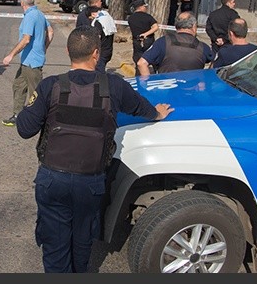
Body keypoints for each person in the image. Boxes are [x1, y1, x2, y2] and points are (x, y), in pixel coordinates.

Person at [15, 25, 174, 273]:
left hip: (53, 180)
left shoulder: (50, 86)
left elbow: (25, 129)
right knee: (82, 244)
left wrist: (33, 108)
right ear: (96, 54)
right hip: (89, 182)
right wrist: (158, 113)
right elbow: (141, 109)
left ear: (68, 51)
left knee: (55, 249)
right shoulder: (114, 86)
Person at [1, 0, 54, 127]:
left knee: (35, 93)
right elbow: (50, 31)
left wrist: (10, 55)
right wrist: (44, 47)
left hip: (32, 63)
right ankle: (17, 115)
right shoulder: (39, 14)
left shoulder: (30, 16)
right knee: (18, 85)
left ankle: (38, 121)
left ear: (22, 3)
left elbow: (26, 40)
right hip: (27, 61)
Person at [137, 11, 213, 77]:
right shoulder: (203, 47)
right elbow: (215, 63)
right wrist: (206, 81)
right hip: (193, 87)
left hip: (167, 86)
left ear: (176, 26)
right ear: (194, 26)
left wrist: (148, 84)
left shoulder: (163, 42)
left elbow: (141, 63)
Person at [125, 0, 159, 76]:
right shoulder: (148, 17)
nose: (146, 8)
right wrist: (146, 34)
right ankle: (157, 74)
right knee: (154, 59)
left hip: (137, 41)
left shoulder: (131, 18)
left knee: (138, 61)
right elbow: (155, 27)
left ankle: (138, 78)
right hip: (148, 40)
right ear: (141, 7)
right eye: (144, 6)